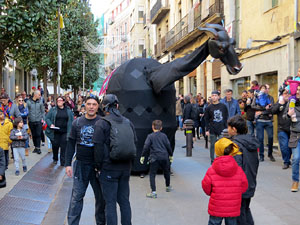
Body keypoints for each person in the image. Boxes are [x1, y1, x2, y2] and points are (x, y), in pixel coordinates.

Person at [93, 94, 136, 225]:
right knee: (124, 201)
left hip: (109, 169)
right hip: (125, 168)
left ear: (104, 107)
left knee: (110, 204)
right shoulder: (128, 122)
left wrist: (98, 167)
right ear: (117, 106)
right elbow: (135, 142)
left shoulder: (102, 123)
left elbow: (98, 148)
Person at [65, 95, 105, 225]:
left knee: (100, 198)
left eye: (94, 104)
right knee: (76, 198)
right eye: (89, 104)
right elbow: (71, 144)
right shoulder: (77, 123)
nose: (91, 107)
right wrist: (67, 164)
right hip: (81, 165)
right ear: (85, 105)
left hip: (98, 166)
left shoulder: (103, 123)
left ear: (98, 106)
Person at [202, 137, 248, 225]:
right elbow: (244, 185)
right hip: (233, 206)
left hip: (216, 205)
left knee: (214, 222)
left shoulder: (212, 170)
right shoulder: (238, 169)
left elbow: (206, 186)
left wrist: (212, 193)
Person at [227, 115, 260, 225]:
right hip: (250, 180)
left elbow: (236, 167)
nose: (228, 130)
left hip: (240, 185)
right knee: (245, 209)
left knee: (239, 213)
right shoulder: (251, 142)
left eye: (229, 127)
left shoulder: (235, 145)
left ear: (234, 129)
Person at [140, 120, 173, 198]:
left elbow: (146, 146)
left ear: (152, 127)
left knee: (152, 174)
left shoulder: (150, 136)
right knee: (166, 172)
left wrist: (143, 155)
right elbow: (168, 145)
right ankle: (168, 187)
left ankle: (154, 192)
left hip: (154, 157)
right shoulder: (164, 136)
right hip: (164, 157)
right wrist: (170, 155)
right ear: (161, 128)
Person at [45, 96, 74, 166]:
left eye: (60, 100)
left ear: (64, 101)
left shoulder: (68, 110)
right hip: (55, 131)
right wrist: (50, 124)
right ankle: (55, 158)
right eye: (58, 101)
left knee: (64, 147)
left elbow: (72, 120)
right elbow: (47, 118)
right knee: (55, 145)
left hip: (64, 131)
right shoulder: (53, 110)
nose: (59, 102)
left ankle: (63, 161)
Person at [251, 84, 275, 162]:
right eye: (264, 88)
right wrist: (264, 108)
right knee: (260, 139)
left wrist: (261, 112)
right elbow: (253, 106)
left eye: (267, 88)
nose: (265, 90)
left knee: (271, 137)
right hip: (260, 121)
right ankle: (261, 155)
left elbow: (272, 108)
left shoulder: (270, 98)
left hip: (268, 120)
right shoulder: (257, 97)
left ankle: (270, 154)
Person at [283, 85, 300, 192]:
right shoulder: (291, 103)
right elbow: (284, 117)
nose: (298, 92)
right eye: (297, 90)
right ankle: (295, 181)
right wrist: (289, 115)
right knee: (296, 158)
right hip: (295, 135)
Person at [204, 91, 228, 164]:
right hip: (212, 128)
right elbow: (206, 119)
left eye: (215, 95)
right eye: (212, 95)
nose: (214, 97)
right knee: (212, 145)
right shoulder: (209, 108)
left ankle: (219, 158)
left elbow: (225, 117)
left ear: (218, 97)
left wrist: (226, 128)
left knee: (221, 144)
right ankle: (212, 159)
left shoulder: (223, 106)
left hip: (221, 128)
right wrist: (207, 129)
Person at [272, 90, 292, 169]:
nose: (287, 95)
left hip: (292, 129)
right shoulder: (280, 102)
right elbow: (273, 111)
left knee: (290, 147)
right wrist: (280, 103)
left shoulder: (294, 102)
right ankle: (286, 162)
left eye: (288, 93)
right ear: (282, 95)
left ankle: (288, 159)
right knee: (284, 146)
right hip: (281, 128)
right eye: (285, 93)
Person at [27, 90, 44, 154]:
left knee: (38, 134)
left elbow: (42, 111)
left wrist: (43, 119)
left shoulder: (40, 102)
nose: (40, 96)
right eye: (39, 95)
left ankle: (38, 148)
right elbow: (27, 111)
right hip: (31, 121)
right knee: (34, 135)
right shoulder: (29, 102)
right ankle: (36, 147)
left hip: (38, 120)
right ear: (35, 95)